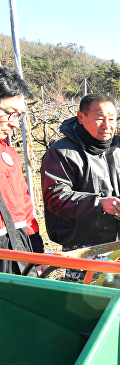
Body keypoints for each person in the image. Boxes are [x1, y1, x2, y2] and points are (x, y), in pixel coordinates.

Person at [41, 93, 120, 273]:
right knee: (90, 298)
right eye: (99, 119)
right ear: (81, 117)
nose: (107, 126)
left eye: (112, 119)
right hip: (84, 246)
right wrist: (99, 203)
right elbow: (56, 198)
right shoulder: (61, 153)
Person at [0, 66, 44, 274]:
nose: (15, 124)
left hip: (18, 247)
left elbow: (24, 205)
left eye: (19, 115)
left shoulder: (8, 154)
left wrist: (36, 250)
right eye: (10, 113)